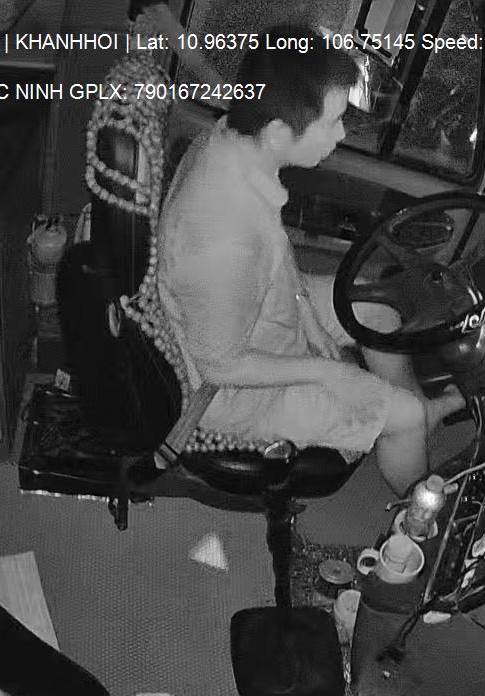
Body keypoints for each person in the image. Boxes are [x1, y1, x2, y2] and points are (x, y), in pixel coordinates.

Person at [156, 25, 464, 495]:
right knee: (403, 417)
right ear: (280, 132)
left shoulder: (235, 138)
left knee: (378, 312)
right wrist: (330, 372)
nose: (342, 133)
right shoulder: (222, 238)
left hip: (263, 313)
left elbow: (275, 245)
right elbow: (220, 365)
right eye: (333, 121)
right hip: (234, 393)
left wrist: (308, 316)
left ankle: (417, 415)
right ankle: (419, 511)